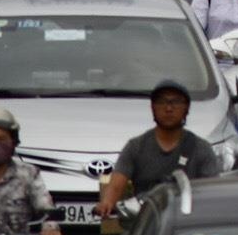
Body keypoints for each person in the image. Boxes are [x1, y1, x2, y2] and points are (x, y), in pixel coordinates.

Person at [93, 81, 221, 219]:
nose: (168, 108)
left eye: (176, 102)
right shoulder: (136, 146)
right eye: (162, 102)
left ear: (187, 108)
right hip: (146, 222)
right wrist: (107, 203)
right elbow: (117, 183)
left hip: (187, 224)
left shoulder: (201, 149)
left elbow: (211, 194)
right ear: (152, 107)